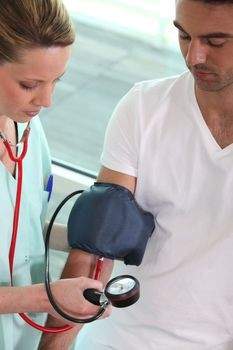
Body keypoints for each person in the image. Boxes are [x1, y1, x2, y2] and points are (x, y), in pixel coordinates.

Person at [40, 0, 233, 349]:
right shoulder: (144, 107)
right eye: (184, 35)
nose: (194, 57)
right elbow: (94, 250)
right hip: (116, 337)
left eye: (216, 42)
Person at [0, 1, 110, 349]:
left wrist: (86, 238)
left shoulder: (28, 130)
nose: (46, 100)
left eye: (56, 81)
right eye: (30, 84)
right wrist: (45, 298)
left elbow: (22, 233)